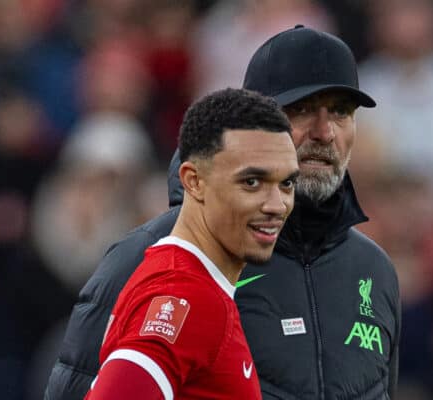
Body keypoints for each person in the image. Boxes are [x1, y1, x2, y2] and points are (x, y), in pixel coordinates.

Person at [45, 26, 400, 400]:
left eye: (342, 112)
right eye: (302, 109)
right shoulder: (164, 261)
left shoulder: (373, 268)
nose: (325, 132)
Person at [84, 88, 299, 399]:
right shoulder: (186, 296)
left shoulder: (186, 280)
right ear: (194, 181)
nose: (277, 204)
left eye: (287, 183)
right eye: (252, 182)